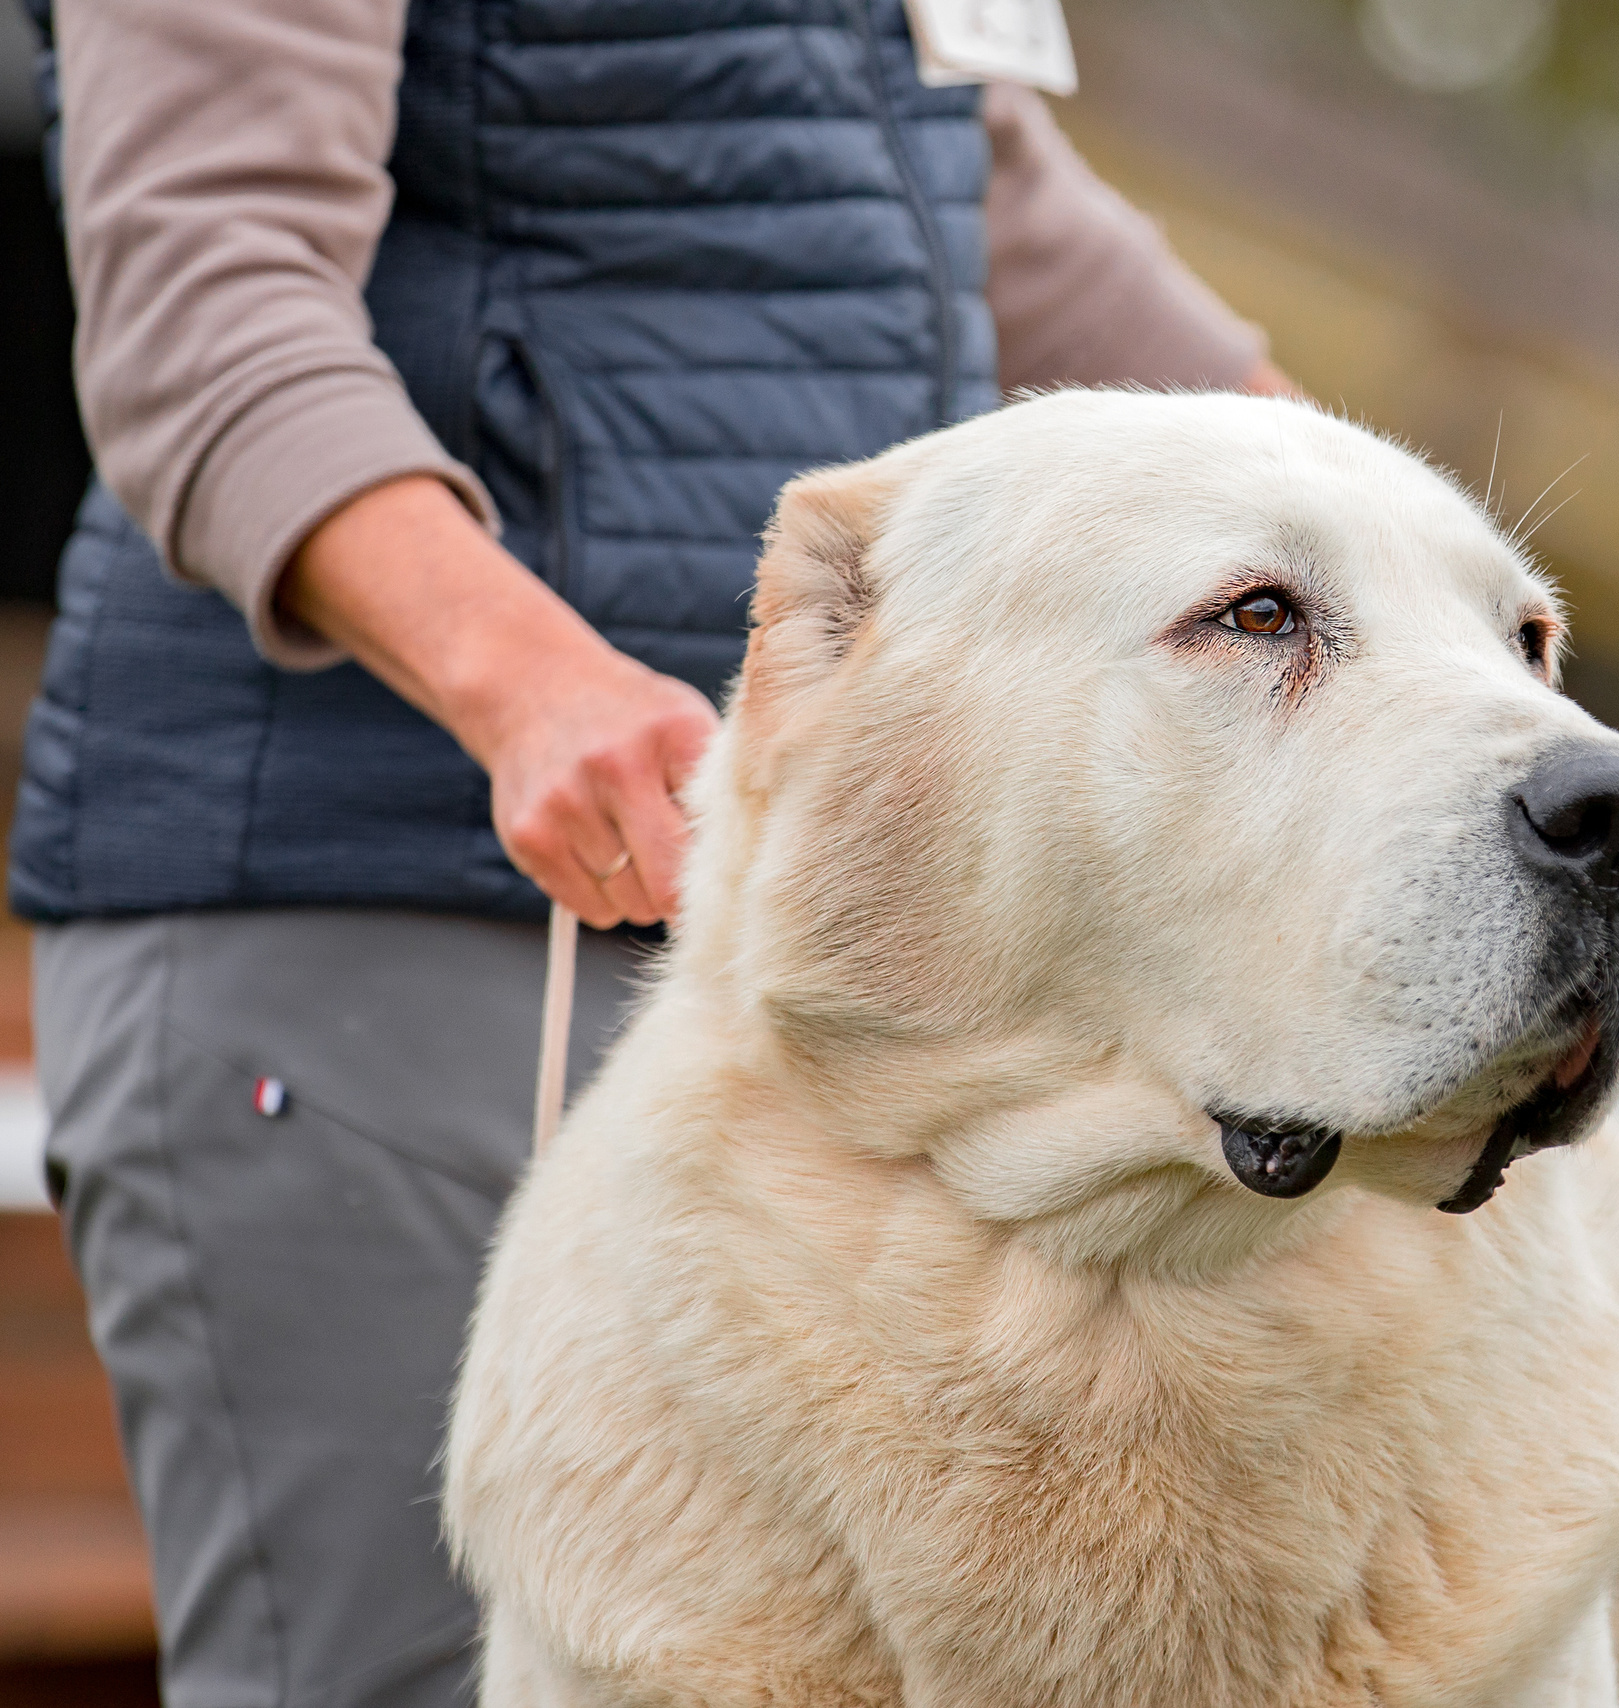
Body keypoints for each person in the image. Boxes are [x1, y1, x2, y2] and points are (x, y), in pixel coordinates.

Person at [18, 2, 1289, 1703]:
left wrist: (1374, 559)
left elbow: (963, 178)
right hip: (374, 898)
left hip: (748, 954)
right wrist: (525, 686)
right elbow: (202, 303)